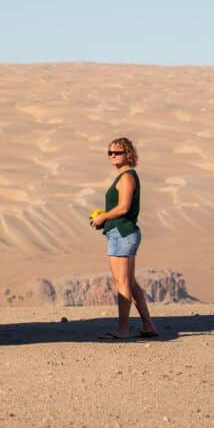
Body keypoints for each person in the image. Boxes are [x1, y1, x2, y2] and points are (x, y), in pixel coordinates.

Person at [90, 137, 158, 340]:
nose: (112, 156)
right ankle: (148, 326)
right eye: (109, 152)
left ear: (128, 154)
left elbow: (124, 208)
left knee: (122, 282)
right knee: (130, 283)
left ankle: (122, 329)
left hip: (122, 232)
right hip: (119, 232)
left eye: (117, 152)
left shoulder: (127, 177)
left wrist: (103, 216)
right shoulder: (123, 176)